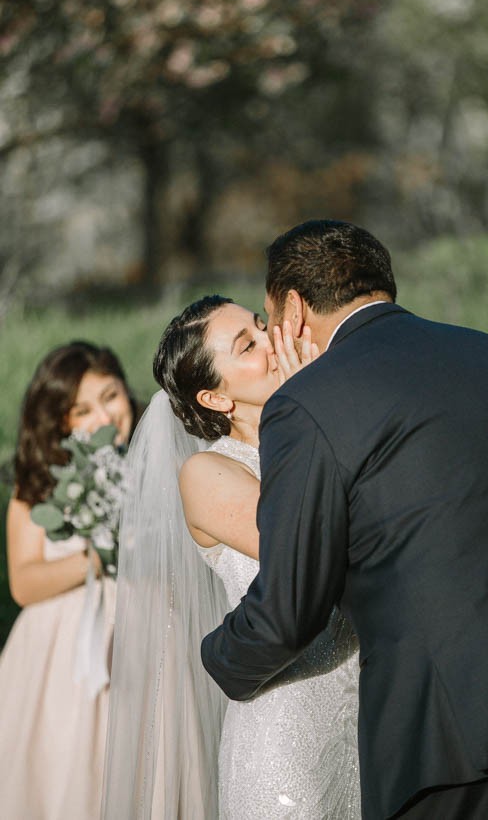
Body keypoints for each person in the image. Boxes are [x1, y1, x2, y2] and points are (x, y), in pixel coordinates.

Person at [201, 219, 488, 820]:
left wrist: (216, 657)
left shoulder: (310, 402)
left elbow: (291, 610)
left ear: (295, 309)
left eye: (268, 318)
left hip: (455, 736)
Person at [102, 295, 360, 820]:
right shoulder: (206, 475)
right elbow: (305, 543)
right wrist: (310, 402)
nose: (272, 341)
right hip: (289, 740)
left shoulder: (334, 431)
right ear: (215, 399)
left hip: (369, 717)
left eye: (261, 326)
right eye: (248, 344)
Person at [0, 341, 137, 820]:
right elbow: (24, 582)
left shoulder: (154, 466)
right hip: (57, 656)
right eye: (81, 409)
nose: (102, 416)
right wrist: (97, 556)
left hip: (140, 639)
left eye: (111, 397)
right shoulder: (37, 481)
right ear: (59, 419)